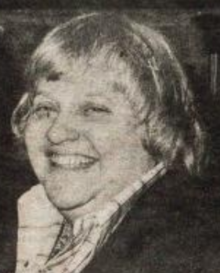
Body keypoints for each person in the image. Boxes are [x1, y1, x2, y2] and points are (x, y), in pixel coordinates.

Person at [11, 12, 206, 273]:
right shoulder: (33, 219)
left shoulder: (195, 249)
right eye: (45, 108)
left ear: (159, 127)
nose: (56, 132)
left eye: (93, 109)